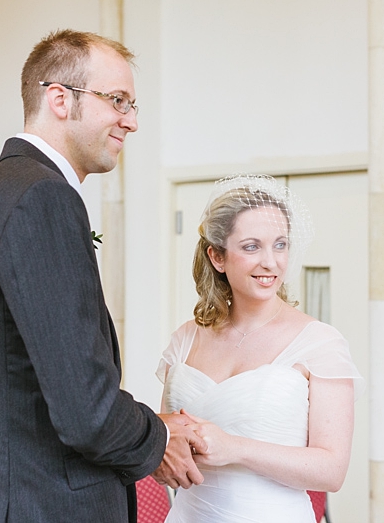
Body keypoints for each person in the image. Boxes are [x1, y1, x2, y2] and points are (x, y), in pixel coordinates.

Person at [0, 29, 205, 523]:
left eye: (133, 105)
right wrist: (160, 438)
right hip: (43, 503)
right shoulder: (43, 198)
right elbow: (86, 409)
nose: (130, 121)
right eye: (118, 100)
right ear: (60, 98)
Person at [157, 174, 366, 522]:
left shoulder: (320, 343)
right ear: (217, 256)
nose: (271, 262)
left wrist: (234, 448)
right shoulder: (185, 339)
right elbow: (167, 445)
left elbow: (332, 470)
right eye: (252, 246)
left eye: (280, 245)